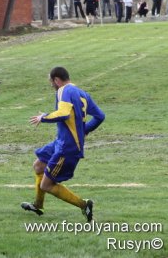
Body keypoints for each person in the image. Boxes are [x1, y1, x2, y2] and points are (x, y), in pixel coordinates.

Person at [21, 67, 105, 222]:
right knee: (38, 165)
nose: (51, 84)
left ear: (57, 80)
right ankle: (38, 205)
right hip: (61, 141)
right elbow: (100, 116)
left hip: (67, 147)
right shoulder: (82, 94)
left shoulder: (63, 91)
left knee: (46, 185)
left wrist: (43, 118)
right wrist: (84, 130)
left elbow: (64, 113)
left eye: (51, 81)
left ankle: (84, 205)